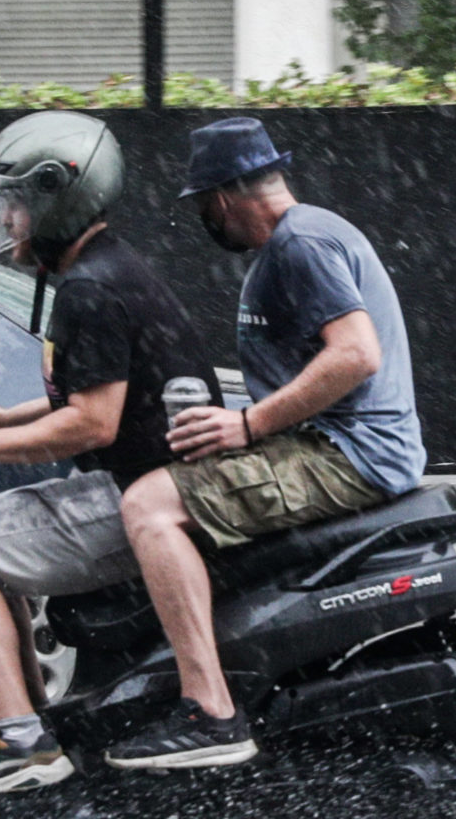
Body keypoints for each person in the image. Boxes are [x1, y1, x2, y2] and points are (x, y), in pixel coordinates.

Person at [0, 111, 217, 797]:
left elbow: (94, 424)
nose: (8, 221)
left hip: (140, 494)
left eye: (15, 205)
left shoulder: (91, 287)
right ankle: (32, 720)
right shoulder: (103, 269)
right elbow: (97, 396)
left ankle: (20, 738)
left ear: (55, 199)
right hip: (153, 481)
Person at [103, 117, 426, 772]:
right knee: (177, 483)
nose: (203, 218)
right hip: (336, 442)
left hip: (349, 452)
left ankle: (209, 709)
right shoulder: (304, 238)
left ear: (221, 197)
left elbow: (356, 355)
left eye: (201, 206)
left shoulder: (299, 244)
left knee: (148, 506)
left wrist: (248, 427)